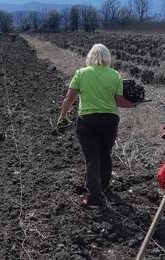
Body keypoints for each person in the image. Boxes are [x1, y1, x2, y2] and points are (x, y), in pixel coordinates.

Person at [57, 43, 137, 209]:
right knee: (105, 155)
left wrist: (63, 116)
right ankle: (105, 189)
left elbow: (68, 99)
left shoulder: (81, 73)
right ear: (107, 57)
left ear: (90, 57)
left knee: (92, 158)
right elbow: (119, 101)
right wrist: (134, 105)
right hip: (110, 121)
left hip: (87, 121)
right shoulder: (115, 75)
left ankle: (95, 198)